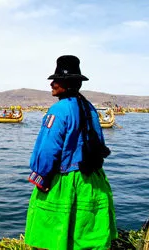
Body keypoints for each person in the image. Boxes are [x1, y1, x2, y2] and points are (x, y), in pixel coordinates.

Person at [24, 55, 117, 250]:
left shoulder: (58, 110)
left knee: (50, 237)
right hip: (92, 181)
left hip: (66, 181)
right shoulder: (89, 107)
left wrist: (41, 177)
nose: (51, 83)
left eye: (56, 80)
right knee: (85, 238)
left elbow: (48, 149)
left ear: (66, 83)